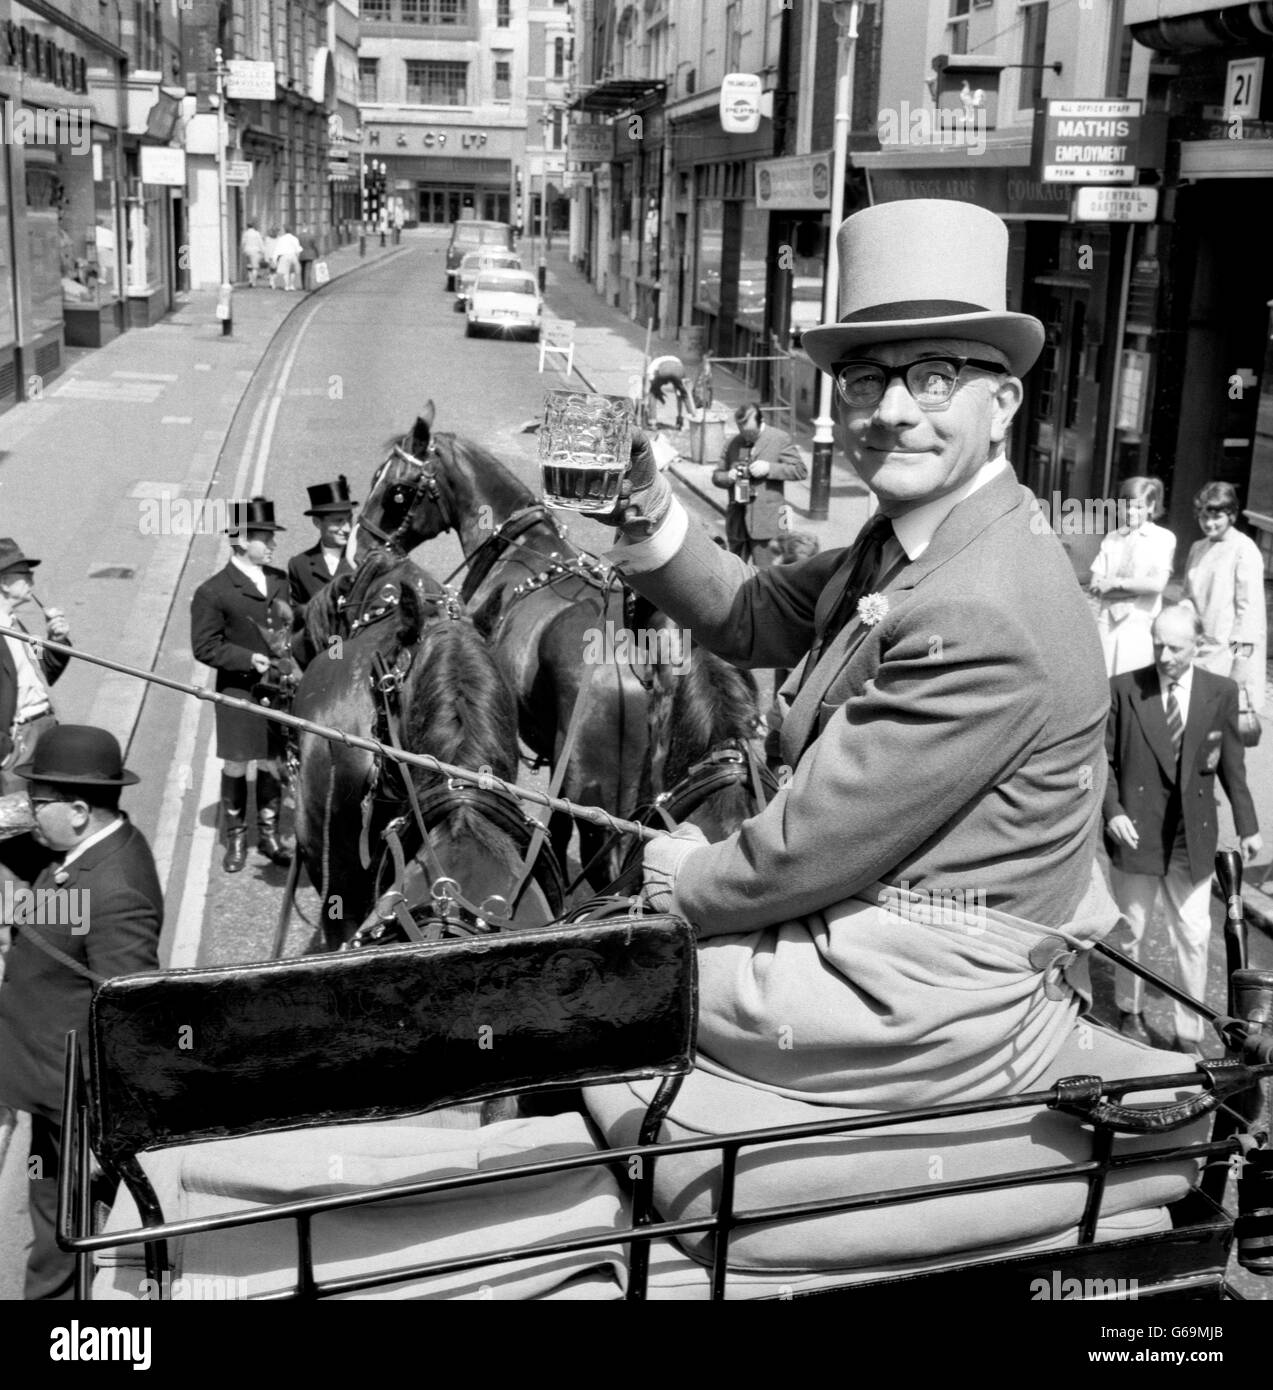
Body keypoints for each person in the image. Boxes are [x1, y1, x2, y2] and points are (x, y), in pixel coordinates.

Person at [603, 197, 1130, 1110]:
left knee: (587, 986)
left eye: (932, 378)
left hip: (911, 995)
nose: (889, 413)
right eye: (860, 379)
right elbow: (754, 616)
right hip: (863, 928)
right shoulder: (916, 538)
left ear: (1002, 402)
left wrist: (671, 871)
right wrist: (646, 509)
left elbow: (802, 853)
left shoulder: (983, 608)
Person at [0, 725, 162, 1299]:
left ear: (75, 809)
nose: (24, 811)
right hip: (48, 1086)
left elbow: (129, 1012)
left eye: (35, 803)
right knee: (55, 1222)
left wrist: (100, 1138)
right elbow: (54, 903)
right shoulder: (86, 853)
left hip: (76, 1107)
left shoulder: (116, 890)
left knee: (59, 1238)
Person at [1103, 605, 1260, 1056]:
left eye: (1175, 646)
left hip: (1191, 836)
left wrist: (1248, 827)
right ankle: (1129, 1011)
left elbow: (1233, 765)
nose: (1165, 654)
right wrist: (1113, 812)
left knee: (1192, 935)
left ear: (1198, 645)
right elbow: (1104, 760)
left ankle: (1188, 1032)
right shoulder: (1125, 689)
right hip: (1136, 832)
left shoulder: (1220, 691)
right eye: (1158, 644)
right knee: (1132, 931)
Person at [190, 498, 295, 873]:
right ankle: (235, 837)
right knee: (236, 763)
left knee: (272, 761)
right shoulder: (213, 591)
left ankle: (268, 835)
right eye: (264, 537)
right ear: (239, 541)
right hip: (239, 690)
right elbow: (204, 646)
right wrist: (246, 659)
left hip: (278, 690)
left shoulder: (280, 580)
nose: (272, 544)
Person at [1182, 481, 1266, 723]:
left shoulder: (1244, 550)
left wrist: (1240, 665)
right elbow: (1188, 596)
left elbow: (1248, 616)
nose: (1209, 524)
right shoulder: (1198, 547)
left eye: (1217, 517)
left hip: (1227, 656)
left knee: (1218, 729)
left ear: (1231, 515)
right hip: (1198, 650)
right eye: (1203, 517)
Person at [0, 540, 71, 797]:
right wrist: (5, 755)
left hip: (44, 728)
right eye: (24, 574)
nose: (31, 579)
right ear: (4, 583)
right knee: (17, 822)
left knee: (50, 811)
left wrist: (56, 640)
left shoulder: (15, 624)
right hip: (19, 740)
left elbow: (44, 666)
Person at [1089, 476, 1176, 676]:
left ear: (1151, 507)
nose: (1130, 512)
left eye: (1138, 507)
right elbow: (1095, 585)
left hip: (1140, 624)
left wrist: (1116, 584)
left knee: (1134, 683)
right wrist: (1135, 587)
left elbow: (1156, 585)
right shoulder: (1112, 538)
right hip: (1108, 622)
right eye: (1126, 506)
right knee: (1105, 681)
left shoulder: (1163, 539)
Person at [711, 403, 808, 569]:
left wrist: (770, 468)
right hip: (737, 522)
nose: (746, 437)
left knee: (767, 575)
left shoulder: (779, 438)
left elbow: (800, 471)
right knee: (734, 573)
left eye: (750, 433)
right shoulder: (733, 443)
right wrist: (728, 476)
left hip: (768, 523)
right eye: (742, 432)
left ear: (760, 422)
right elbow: (716, 476)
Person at [288, 476, 357, 609]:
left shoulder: (362, 560)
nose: (347, 528)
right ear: (317, 522)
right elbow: (298, 614)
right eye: (338, 521)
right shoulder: (299, 565)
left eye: (349, 520)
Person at [646, 354, 695, 431]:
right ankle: (691, 420)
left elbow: (651, 378)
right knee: (684, 394)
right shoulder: (675, 359)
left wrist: (657, 391)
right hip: (679, 370)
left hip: (664, 371)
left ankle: (652, 422)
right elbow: (681, 382)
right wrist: (681, 390)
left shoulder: (654, 363)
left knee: (652, 394)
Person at [273, 227, 303, 291]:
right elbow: (298, 249)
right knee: (292, 272)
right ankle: (291, 285)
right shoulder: (294, 238)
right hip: (292, 255)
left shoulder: (281, 239)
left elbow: (277, 249)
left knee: (285, 272)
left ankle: (286, 286)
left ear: (285, 231)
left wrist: (275, 258)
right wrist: (297, 258)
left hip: (284, 256)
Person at [240, 220, 266, 288]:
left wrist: (243, 250)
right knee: (255, 267)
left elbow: (243, 242)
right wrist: (263, 251)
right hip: (255, 251)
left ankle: (250, 280)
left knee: (249, 266)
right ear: (253, 226)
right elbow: (260, 242)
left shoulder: (245, 233)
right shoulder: (256, 233)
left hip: (247, 251)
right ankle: (253, 282)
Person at [298, 225, 319, 291]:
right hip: (310, 255)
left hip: (301, 255)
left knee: (302, 270)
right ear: (308, 229)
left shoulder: (298, 236)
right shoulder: (311, 236)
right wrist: (317, 254)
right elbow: (315, 246)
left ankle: (303, 286)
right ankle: (307, 287)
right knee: (308, 271)